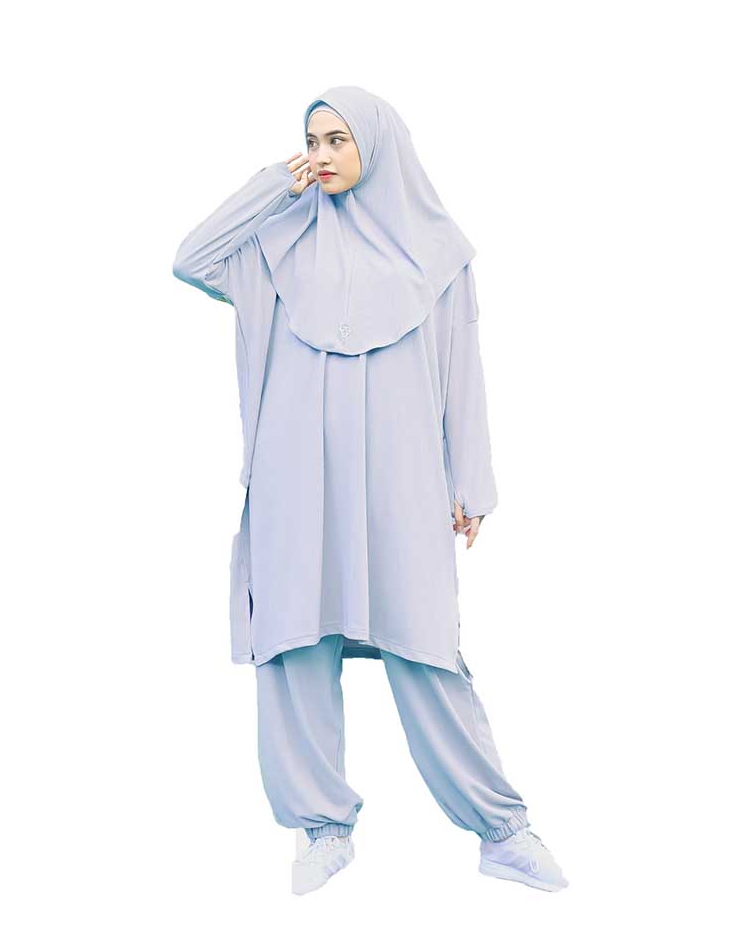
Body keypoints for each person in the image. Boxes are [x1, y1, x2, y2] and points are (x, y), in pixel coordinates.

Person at [172, 86, 568, 896]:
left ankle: (501, 829)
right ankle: (322, 827)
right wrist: (272, 185)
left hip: (401, 480)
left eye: (337, 140)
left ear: (378, 147)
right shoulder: (275, 245)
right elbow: (190, 258)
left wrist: (471, 479)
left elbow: (462, 371)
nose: (320, 155)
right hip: (294, 483)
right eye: (311, 140)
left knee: (424, 645)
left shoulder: (437, 255)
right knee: (295, 643)